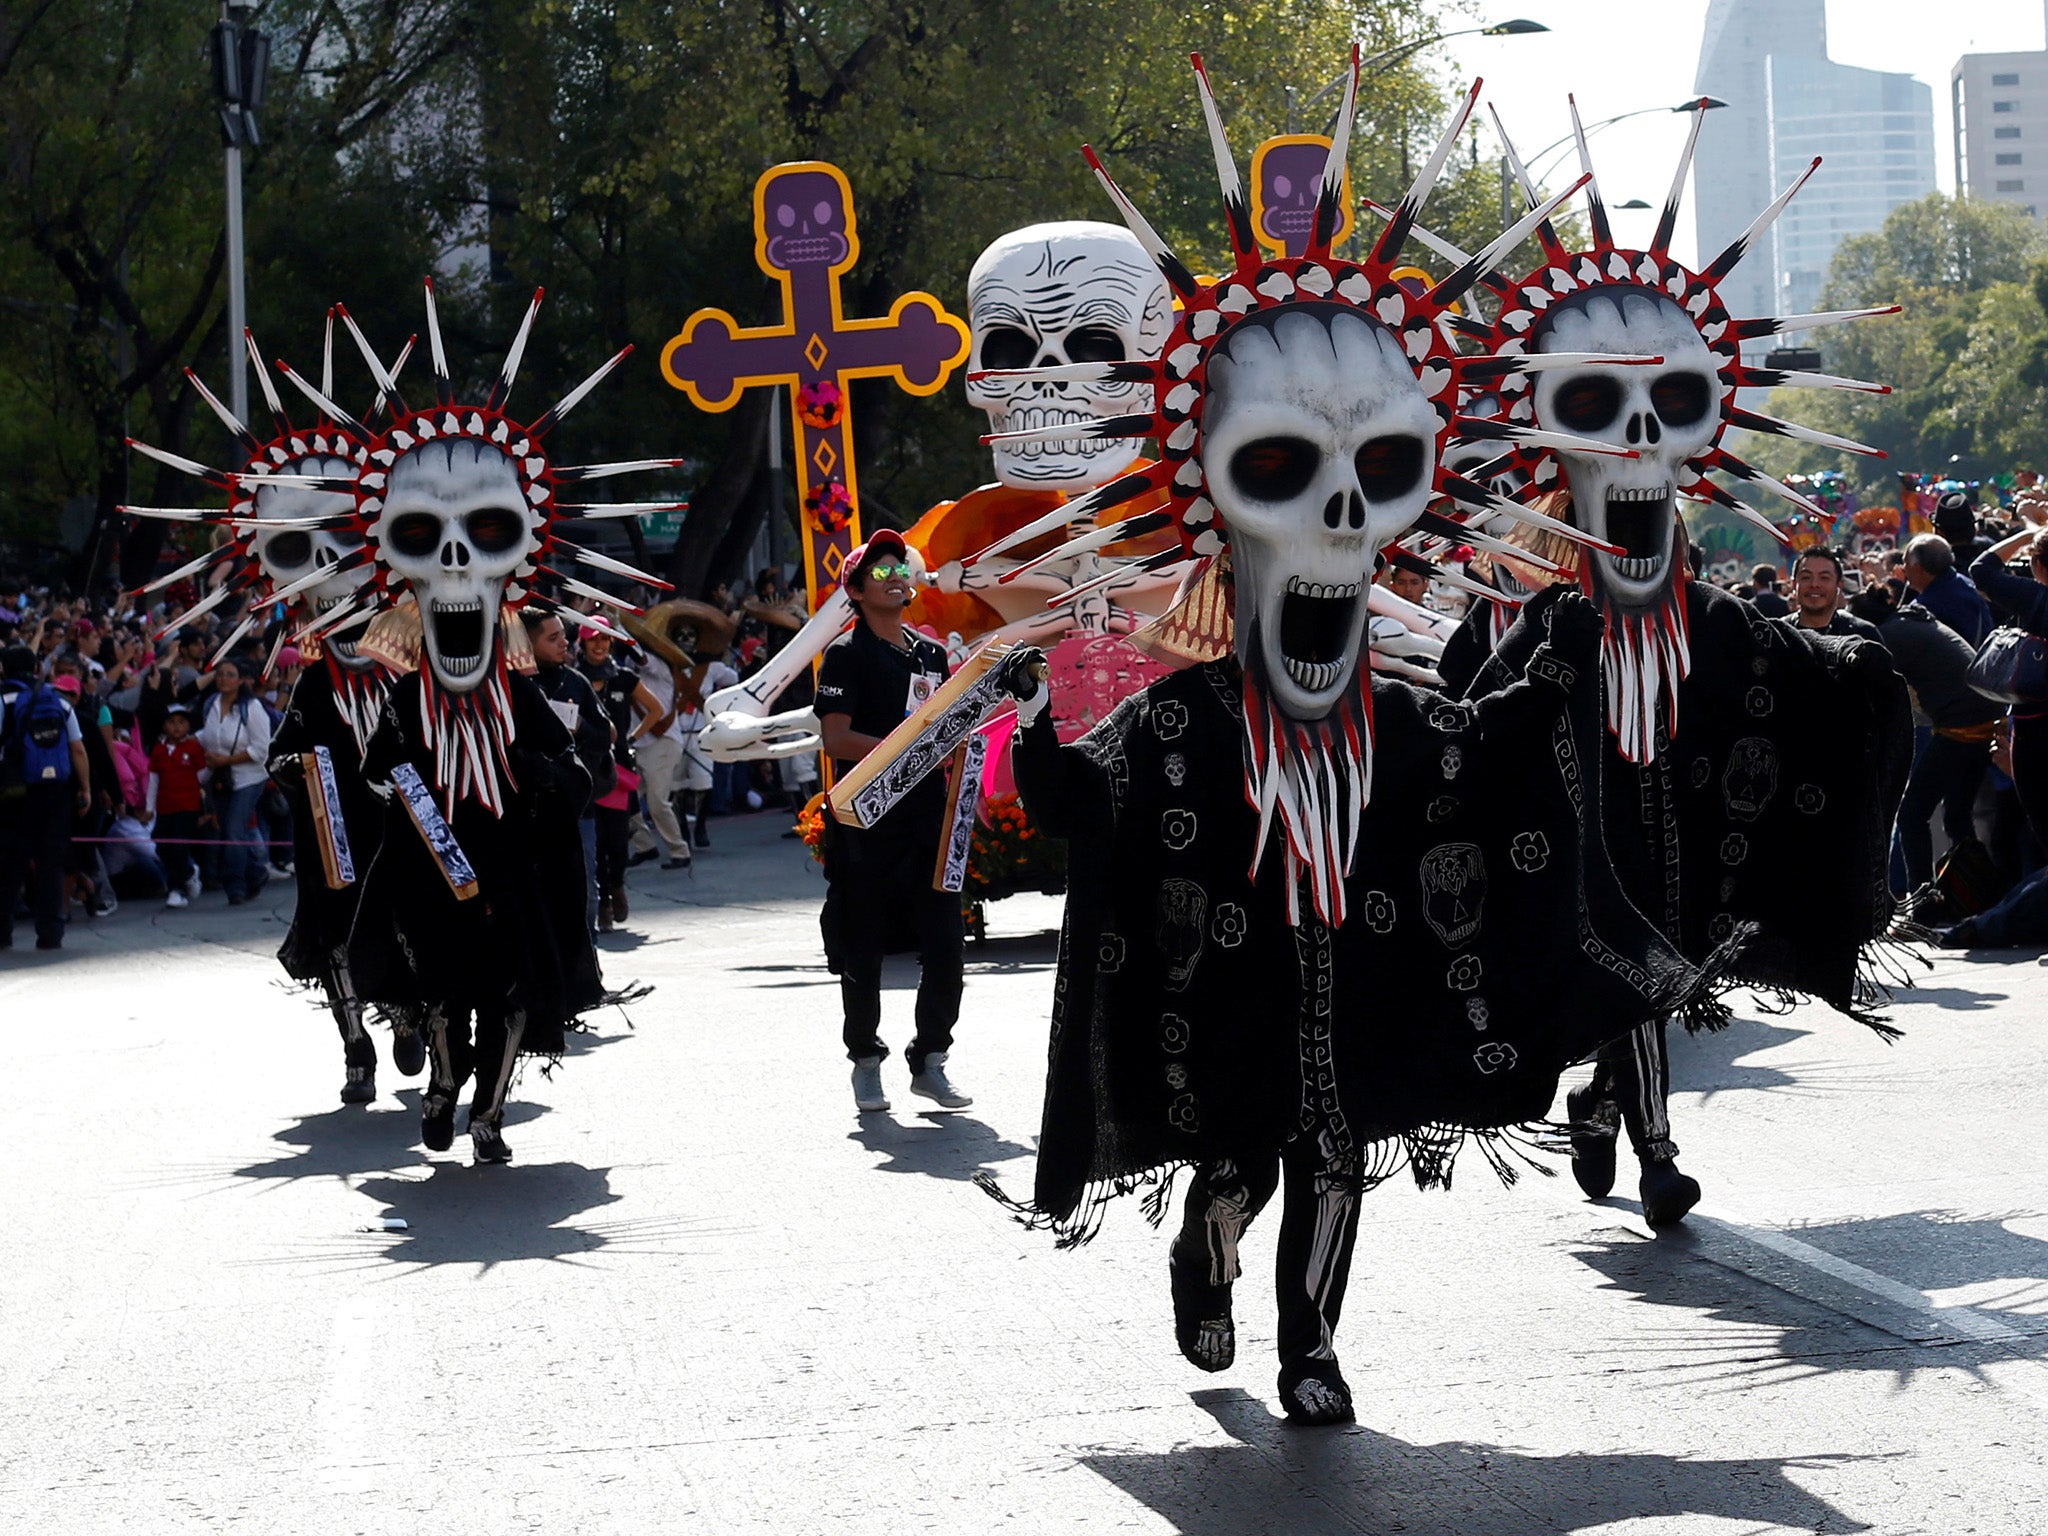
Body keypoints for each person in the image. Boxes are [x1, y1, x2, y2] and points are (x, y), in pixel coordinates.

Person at [816, 528, 970, 1114]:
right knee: (864, 947)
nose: (896, 577)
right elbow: (835, 737)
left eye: (900, 567)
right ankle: (865, 1061)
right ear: (855, 590)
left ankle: (931, 1059)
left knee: (947, 944)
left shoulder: (931, 652)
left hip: (928, 822)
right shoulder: (846, 654)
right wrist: (909, 749)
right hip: (865, 825)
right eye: (880, 572)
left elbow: (948, 728)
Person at [1848, 583, 2001, 899]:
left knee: (1911, 815)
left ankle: (1924, 902)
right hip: (1982, 718)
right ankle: (1974, 896)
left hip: (1961, 726)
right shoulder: (1911, 620)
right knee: (1957, 815)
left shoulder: (1887, 637)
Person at [0, 643, 89, 949]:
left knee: (9, 864)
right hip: (54, 794)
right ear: (37, 669)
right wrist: (85, 789)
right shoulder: (58, 701)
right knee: (50, 863)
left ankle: (2, 932)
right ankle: (50, 933)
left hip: (12, 793)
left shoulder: (3, 700)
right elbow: (77, 748)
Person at [530, 611, 614, 933]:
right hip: (531, 810)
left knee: (586, 891)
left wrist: (579, 727)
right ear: (528, 643)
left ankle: (589, 972)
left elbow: (604, 736)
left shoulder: (575, 682)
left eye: (563, 635)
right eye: (552, 638)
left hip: (579, 807)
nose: (564, 643)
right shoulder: (515, 685)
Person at [577, 623, 658, 929]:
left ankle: (617, 885)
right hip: (584, 766)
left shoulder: (624, 678)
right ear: (582, 644)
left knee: (618, 839)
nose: (599, 646)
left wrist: (631, 738)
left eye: (605, 640)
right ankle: (602, 903)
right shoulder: (574, 678)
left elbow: (656, 708)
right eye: (593, 640)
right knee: (591, 839)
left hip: (617, 767)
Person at [196, 657, 272, 905]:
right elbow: (207, 736)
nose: (223, 679)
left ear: (241, 680)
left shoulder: (252, 708)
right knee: (232, 830)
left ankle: (235, 885)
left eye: (230, 674)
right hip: (222, 778)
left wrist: (225, 761)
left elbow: (261, 750)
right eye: (220, 674)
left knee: (234, 830)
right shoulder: (211, 705)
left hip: (249, 778)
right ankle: (256, 871)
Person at [146, 704, 206, 907]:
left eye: (181, 722)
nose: (176, 727)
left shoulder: (194, 748)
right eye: (171, 722)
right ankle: (189, 872)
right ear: (164, 726)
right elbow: (153, 780)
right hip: (164, 807)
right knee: (163, 847)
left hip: (187, 806)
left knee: (179, 846)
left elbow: (202, 776)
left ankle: (177, 889)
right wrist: (149, 808)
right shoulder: (159, 750)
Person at [1901, 534, 1994, 648]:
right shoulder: (1967, 584)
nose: (1903, 569)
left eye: (1905, 563)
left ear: (1918, 568)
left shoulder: (1924, 607)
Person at [1786, 547, 1881, 639]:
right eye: (1806, 577)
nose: (1814, 584)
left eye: (1824, 578)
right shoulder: (1778, 634)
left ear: (1839, 585)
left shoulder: (1863, 634)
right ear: (1794, 584)